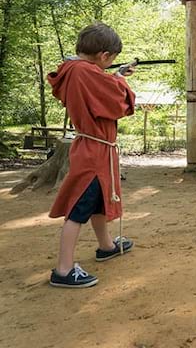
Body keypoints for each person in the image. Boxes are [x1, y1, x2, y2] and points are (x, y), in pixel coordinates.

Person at [47, 22, 136, 288]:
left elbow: (101, 86)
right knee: (78, 209)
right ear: (104, 56)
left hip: (94, 148)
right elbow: (116, 101)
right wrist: (119, 80)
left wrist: (114, 75)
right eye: (111, 61)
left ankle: (106, 245)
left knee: (98, 200)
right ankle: (63, 270)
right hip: (94, 152)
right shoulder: (85, 73)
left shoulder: (77, 70)